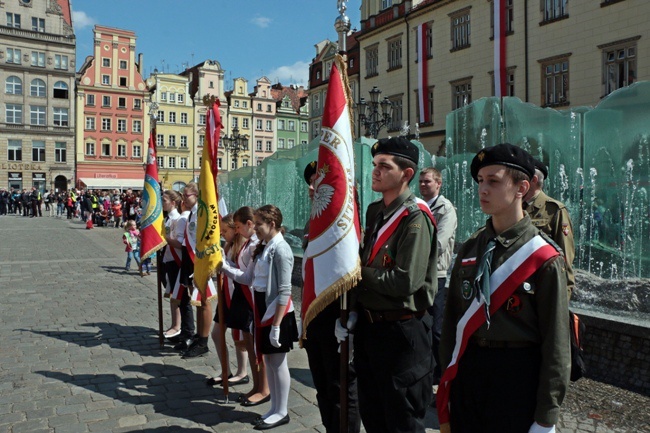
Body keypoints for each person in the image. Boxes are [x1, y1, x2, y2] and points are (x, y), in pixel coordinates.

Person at [438, 143, 571, 433]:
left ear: (522, 187)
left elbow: (556, 343)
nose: (482, 189)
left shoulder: (543, 256)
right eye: (480, 181)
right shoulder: (471, 247)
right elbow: (451, 320)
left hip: (516, 377)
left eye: (494, 181)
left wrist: (546, 414)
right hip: (469, 371)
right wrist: (446, 381)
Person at [336, 137, 438, 433]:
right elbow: (369, 259)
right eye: (374, 165)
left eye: (384, 166)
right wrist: (354, 309)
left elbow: (405, 281)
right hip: (371, 329)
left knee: (402, 420)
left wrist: (356, 271)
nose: (375, 171)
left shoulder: (415, 218)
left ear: (406, 174)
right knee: (374, 414)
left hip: (402, 332)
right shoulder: (375, 211)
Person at [221, 205, 298, 430]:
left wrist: (276, 325)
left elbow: (285, 290)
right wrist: (224, 267)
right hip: (262, 307)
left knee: (278, 362)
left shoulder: (281, 249)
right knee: (270, 361)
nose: (256, 230)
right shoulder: (263, 247)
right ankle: (274, 407)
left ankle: (282, 410)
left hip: (277, 311)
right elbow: (248, 277)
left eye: (260, 225)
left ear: (272, 224)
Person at [302, 161, 360, 433]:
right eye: (311, 183)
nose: (313, 188)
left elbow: (353, 268)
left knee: (341, 388)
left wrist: (352, 314)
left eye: (319, 182)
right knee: (322, 385)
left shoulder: (347, 218)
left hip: (339, 314)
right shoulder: (313, 219)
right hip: (315, 314)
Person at [418, 167, 457, 392]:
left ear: (438, 184)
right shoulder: (417, 205)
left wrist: (413, 255)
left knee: (436, 328)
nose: (423, 185)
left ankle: (443, 377)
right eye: (421, 182)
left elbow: (440, 244)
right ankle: (429, 372)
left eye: (428, 182)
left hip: (437, 274)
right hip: (418, 273)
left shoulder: (446, 208)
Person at [208, 214, 251, 389]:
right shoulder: (228, 245)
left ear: (236, 229)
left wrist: (224, 264)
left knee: (240, 338)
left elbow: (243, 274)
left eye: (225, 230)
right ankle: (225, 370)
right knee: (217, 333)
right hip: (226, 292)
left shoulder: (244, 247)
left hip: (238, 294)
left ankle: (243, 372)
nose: (223, 234)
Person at [524, 159, 575, 298]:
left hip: (544, 288)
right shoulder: (516, 208)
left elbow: (565, 257)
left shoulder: (554, 210)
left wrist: (563, 297)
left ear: (533, 180)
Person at [161, 190, 184, 338]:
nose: (162, 203)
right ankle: (174, 324)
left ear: (173, 203)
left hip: (176, 260)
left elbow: (179, 243)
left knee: (178, 296)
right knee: (171, 294)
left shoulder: (178, 219)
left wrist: (163, 238)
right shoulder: (167, 219)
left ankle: (178, 326)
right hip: (167, 259)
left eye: (164, 200)